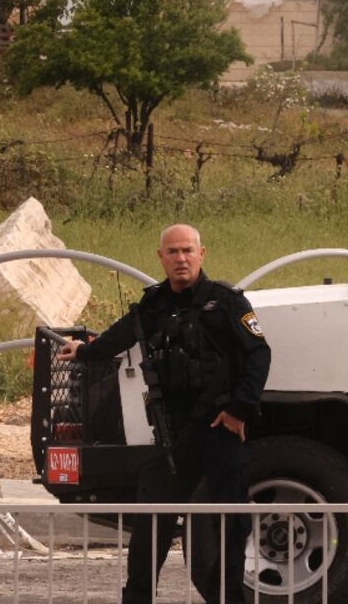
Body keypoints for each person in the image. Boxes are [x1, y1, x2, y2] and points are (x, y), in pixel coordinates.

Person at [57, 224, 270, 604]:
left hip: (220, 429)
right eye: (172, 252)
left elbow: (258, 355)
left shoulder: (226, 302)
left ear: (202, 253)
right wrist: (83, 351)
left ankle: (229, 598)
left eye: (187, 250)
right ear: (161, 257)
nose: (180, 258)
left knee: (231, 524)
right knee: (151, 523)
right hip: (172, 435)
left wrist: (239, 411)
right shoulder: (153, 305)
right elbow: (117, 338)